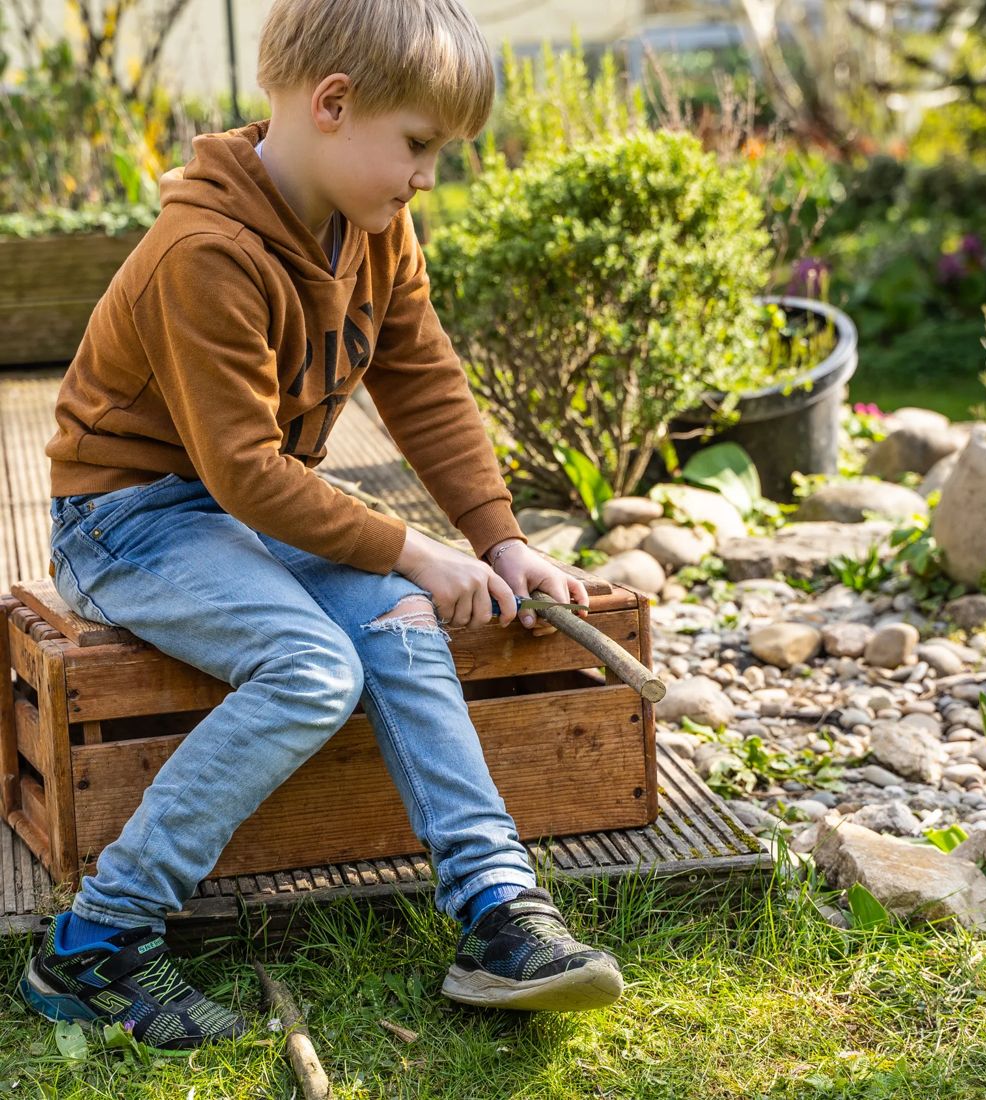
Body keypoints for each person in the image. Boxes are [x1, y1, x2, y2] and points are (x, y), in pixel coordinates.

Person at [19, 0, 623, 1052]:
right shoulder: (200, 253)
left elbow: (425, 385)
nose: (429, 174)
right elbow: (245, 468)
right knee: (310, 666)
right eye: (421, 144)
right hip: (127, 520)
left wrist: (497, 538)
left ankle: (495, 907)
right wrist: (410, 542)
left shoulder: (376, 234)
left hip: (242, 509)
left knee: (397, 617)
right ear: (333, 104)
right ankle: (94, 937)